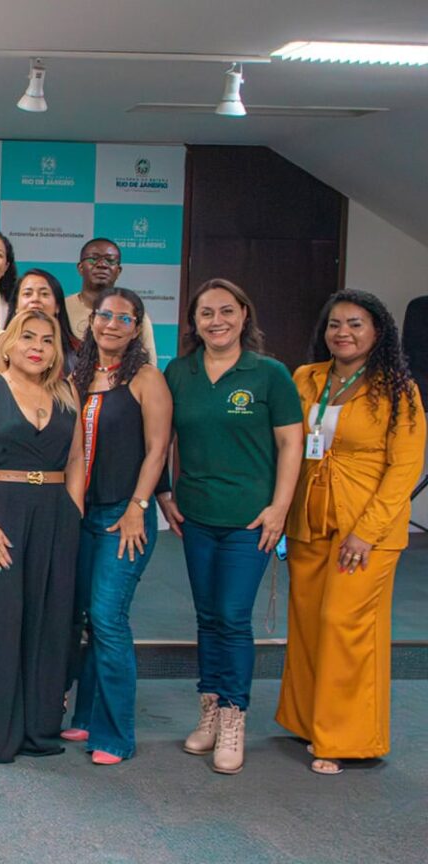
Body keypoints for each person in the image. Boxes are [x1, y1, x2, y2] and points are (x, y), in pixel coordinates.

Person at [277, 290, 424, 775]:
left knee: (345, 625)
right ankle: (307, 720)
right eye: (335, 323)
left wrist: (367, 531)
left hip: (366, 529)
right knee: (307, 622)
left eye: (356, 324)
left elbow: (405, 469)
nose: (343, 332)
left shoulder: (398, 390)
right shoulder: (306, 379)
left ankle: (344, 739)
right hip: (308, 519)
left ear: (378, 332)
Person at [160, 278, 303, 775]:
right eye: (206, 313)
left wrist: (279, 508)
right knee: (206, 616)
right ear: (194, 322)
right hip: (196, 515)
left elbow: (291, 445)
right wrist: (163, 493)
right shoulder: (178, 373)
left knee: (232, 615)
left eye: (226, 311)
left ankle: (234, 717)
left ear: (245, 315)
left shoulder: (270, 375)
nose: (216, 321)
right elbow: (157, 440)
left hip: (251, 520)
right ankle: (210, 713)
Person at [0, 310, 85, 763]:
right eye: (28, 336)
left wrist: (72, 513)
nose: (38, 347)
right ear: (7, 343)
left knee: (48, 622)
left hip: (53, 516)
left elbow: (78, 460)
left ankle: (39, 727)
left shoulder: (66, 392)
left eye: (47, 340)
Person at [59, 288, 172, 765]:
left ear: (136, 328)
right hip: (82, 516)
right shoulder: (76, 377)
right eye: (103, 315)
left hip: (125, 518)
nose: (110, 324)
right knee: (83, 618)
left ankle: (116, 734)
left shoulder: (146, 379)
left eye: (123, 318)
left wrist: (137, 506)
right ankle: (85, 716)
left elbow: (157, 448)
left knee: (108, 619)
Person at [65, 239, 158, 365]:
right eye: (93, 259)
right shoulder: (61, 307)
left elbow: (150, 364)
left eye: (110, 260)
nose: (102, 265)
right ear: (80, 268)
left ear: (118, 271)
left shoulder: (134, 314)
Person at [15, 269, 80, 365]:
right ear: (16, 305)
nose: (35, 299)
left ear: (57, 306)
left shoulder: (78, 350)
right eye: (27, 294)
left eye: (44, 294)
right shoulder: (1, 344)